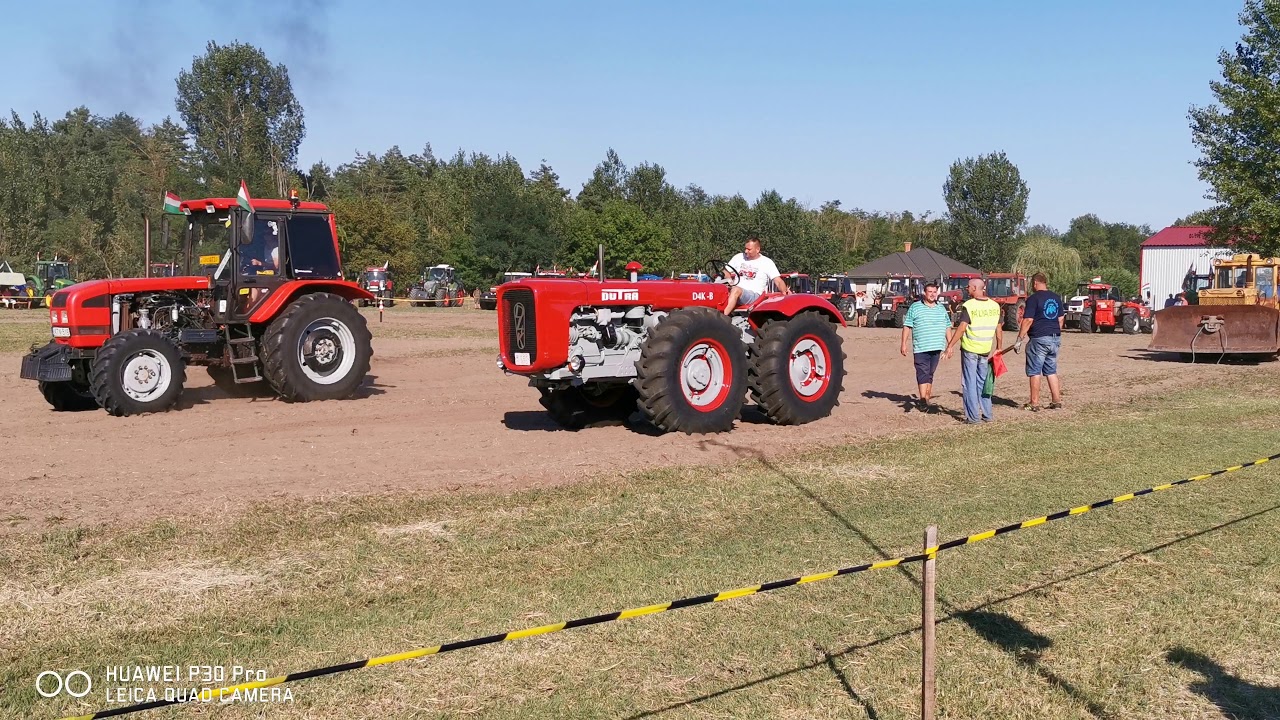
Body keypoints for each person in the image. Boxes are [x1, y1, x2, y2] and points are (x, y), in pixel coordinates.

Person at [944, 278, 1002, 424]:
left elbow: (962, 327)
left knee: (969, 383)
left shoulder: (969, 306)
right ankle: (987, 415)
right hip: (985, 350)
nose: (967, 289)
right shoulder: (995, 306)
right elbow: (998, 328)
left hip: (970, 349)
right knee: (983, 382)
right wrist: (998, 347)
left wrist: (950, 345)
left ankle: (973, 417)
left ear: (976, 288)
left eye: (969, 287)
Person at [1016, 273, 1064, 412]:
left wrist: (1019, 339)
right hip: (1055, 337)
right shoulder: (1056, 298)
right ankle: (1056, 401)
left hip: (1039, 339)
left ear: (1036, 283)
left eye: (1032, 284)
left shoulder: (1033, 299)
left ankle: (1034, 403)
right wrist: (1053, 333)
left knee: (1035, 371)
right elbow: (1060, 319)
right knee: (1051, 370)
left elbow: (1028, 320)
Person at [900, 281, 952, 412]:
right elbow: (907, 326)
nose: (933, 294)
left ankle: (926, 397)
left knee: (930, 372)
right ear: (924, 293)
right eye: (930, 292)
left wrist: (949, 346)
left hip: (937, 346)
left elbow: (947, 327)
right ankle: (923, 400)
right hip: (921, 346)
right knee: (922, 372)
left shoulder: (941, 308)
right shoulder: (915, 307)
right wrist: (903, 343)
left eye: (935, 292)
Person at [723, 236, 788, 314]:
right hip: (735, 290)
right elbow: (726, 271)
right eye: (745, 248)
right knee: (717, 289)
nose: (746, 251)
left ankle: (722, 317)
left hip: (754, 296)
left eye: (749, 249)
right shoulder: (738, 257)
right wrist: (730, 283)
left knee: (736, 290)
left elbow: (778, 281)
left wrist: (785, 293)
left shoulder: (766, 262)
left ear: (757, 249)